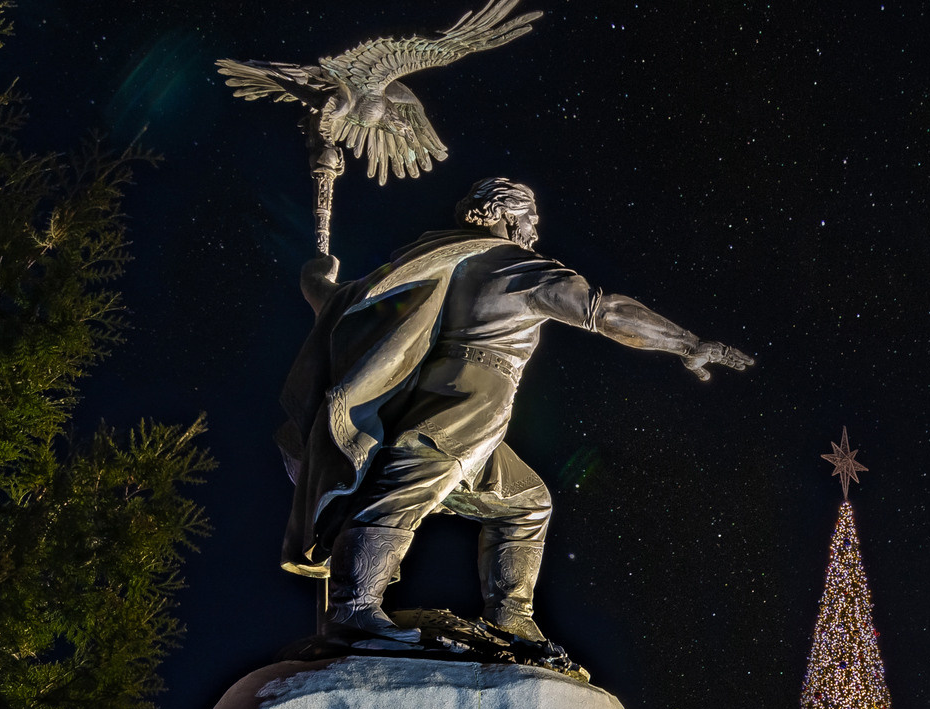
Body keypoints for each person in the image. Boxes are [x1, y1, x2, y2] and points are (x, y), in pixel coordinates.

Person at [277, 177, 755, 647]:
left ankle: (510, 618)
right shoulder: (515, 265)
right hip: (464, 404)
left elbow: (345, 308)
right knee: (401, 493)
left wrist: (317, 278)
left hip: (435, 401)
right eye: (529, 217)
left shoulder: (432, 260)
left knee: (526, 504)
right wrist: (687, 343)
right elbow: (603, 311)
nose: (534, 230)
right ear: (503, 214)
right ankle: (354, 608)